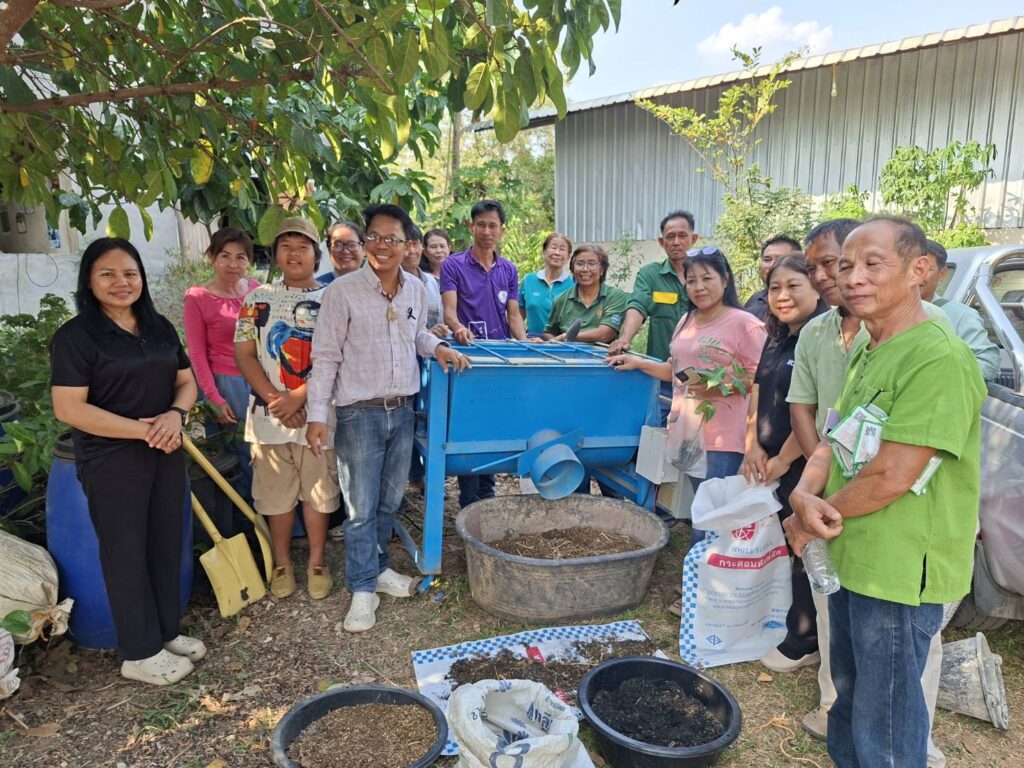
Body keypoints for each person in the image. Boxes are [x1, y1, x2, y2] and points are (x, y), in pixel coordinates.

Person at [784, 217, 985, 768]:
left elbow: (892, 475)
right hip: (851, 553)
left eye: (873, 264)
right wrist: (802, 495)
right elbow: (835, 438)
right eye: (846, 265)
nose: (852, 278)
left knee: (886, 721)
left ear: (920, 270)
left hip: (898, 568)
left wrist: (810, 517)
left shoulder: (937, 356)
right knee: (849, 700)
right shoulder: (870, 348)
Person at [306, 203, 468, 633]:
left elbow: (417, 335)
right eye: (374, 237)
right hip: (359, 412)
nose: (382, 246)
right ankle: (362, 587)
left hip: (403, 409)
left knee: (388, 501)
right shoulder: (342, 292)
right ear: (365, 243)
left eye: (391, 238)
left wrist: (439, 348)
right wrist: (316, 415)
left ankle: (378, 570)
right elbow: (325, 357)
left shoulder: (416, 289)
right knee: (359, 507)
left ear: (407, 244)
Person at [50, 238, 204, 685]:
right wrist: (143, 431)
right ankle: (139, 653)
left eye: (130, 273)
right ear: (89, 280)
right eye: (108, 274)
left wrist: (175, 415)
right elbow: (69, 408)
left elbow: (187, 382)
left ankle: (164, 633)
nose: (121, 282)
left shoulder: (157, 327)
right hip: (112, 460)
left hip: (165, 452)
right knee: (126, 552)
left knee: (165, 543)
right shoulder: (76, 337)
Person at [608, 247, 766, 548]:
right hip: (688, 431)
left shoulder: (745, 324)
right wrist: (638, 363)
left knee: (711, 517)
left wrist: (719, 387)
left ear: (725, 279)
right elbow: (676, 370)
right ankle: (706, 571)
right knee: (701, 508)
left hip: (723, 438)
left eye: (707, 278)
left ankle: (703, 573)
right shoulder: (687, 320)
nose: (698, 287)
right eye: (691, 280)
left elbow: (760, 379)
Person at [234, 217, 340, 601]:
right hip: (269, 416)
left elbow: (338, 357)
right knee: (275, 493)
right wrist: (277, 400)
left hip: (318, 416)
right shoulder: (255, 299)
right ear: (275, 253)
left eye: (303, 247)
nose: (294, 254)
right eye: (286, 246)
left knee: (318, 490)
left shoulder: (333, 299)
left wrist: (300, 398)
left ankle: (316, 561)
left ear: (316, 254)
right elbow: (245, 354)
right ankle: (281, 562)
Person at [740, 254, 828, 672]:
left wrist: (782, 459)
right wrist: (752, 445)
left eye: (794, 285)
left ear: (816, 289)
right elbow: (757, 392)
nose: (782, 295)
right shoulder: (777, 337)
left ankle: (804, 640)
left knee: (803, 548)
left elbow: (812, 410)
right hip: (768, 460)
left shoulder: (822, 336)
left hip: (802, 463)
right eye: (775, 288)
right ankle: (782, 619)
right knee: (779, 543)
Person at [440, 199, 526, 507]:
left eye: (493, 226)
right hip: (468, 359)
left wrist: (525, 346)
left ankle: (487, 497)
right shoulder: (453, 265)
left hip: (499, 361)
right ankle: (469, 499)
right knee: (469, 428)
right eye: (481, 225)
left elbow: (513, 315)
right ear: (471, 227)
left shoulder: (508, 269)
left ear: (502, 231)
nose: (487, 231)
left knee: (495, 425)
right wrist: (458, 328)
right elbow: (449, 312)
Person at [183, 227, 260, 493]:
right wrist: (214, 397)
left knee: (267, 448)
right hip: (228, 383)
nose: (233, 264)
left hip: (260, 379)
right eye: (225, 256)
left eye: (241, 257)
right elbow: (197, 354)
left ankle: (273, 511)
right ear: (212, 257)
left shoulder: (256, 289)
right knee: (242, 450)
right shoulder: (198, 297)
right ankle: (249, 512)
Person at [608, 211, 698, 420]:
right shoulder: (650, 275)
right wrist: (624, 338)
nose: (676, 242)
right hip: (661, 373)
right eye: (670, 237)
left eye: (682, 236)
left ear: (694, 239)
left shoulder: (706, 275)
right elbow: (638, 306)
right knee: (659, 428)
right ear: (661, 241)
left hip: (700, 374)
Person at [921, 239, 1000, 381]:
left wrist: (937, 375)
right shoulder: (882, 311)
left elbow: (987, 365)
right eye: (908, 268)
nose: (915, 276)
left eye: (924, 269)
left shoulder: (962, 316)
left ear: (942, 274)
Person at [544, 244, 628, 342]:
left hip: (603, 352)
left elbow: (605, 335)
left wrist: (565, 336)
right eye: (580, 264)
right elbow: (549, 332)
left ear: (602, 270)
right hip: (567, 352)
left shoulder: (615, 296)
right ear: (573, 269)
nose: (585, 269)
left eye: (591, 264)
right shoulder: (561, 300)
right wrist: (554, 344)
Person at [520, 233, 574, 337]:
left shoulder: (573, 286)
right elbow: (518, 317)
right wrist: (523, 339)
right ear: (544, 252)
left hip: (561, 344)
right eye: (553, 247)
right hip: (531, 343)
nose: (557, 253)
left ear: (568, 257)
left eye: (562, 249)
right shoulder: (528, 281)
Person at [743, 235, 802, 321]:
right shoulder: (754, 300)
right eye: (767, 260)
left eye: (780, 259)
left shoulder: (805, 301)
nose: (771, 266)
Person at [402, 224, 444, 329]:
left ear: (422, 248)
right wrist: (427, 333)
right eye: (406, 245)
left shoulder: (431, 282)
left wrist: (441, 329)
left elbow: (440, 321)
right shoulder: (391, 283)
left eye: (415, 244)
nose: (411, 251)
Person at [317, 221, 365, 285]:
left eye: (352, 245)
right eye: (338, 245)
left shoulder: (375, 285)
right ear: (329, 250)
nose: (345, 251)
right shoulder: (316, 288)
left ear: (364, 249)